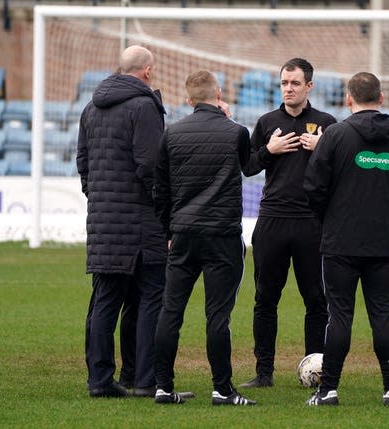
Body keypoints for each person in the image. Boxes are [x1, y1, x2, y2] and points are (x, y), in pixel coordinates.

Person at [303, 72, 389, 406]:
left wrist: (329, 219)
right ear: (381, 98)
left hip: (340, 242)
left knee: (339, 315)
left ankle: (328, 390)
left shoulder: (335, 136)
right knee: (383, 315)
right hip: (382, 242)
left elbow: (313, 188)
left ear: (348, 99)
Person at [152, 70, 255, 406]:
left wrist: (169, 231)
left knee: (171, 311)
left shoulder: (172, 134)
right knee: (218, 316)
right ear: (219, 93)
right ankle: (222, 389)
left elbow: (160, 191)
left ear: (188, 99)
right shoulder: (236, 132)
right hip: (221, 235)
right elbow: (250, 165)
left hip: (182, 234)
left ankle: (163, 387)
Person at [239, 58, 336, 388]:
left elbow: (341, 170)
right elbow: (249, 166)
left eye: (295, 83)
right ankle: (263, 373)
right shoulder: (267, 122)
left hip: (311, 223)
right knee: (265, 298)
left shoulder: (326, 123)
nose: (288, 89)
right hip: (273, 221)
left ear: (309, 86)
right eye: (284, 83)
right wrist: (270, 149)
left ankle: (319, 371)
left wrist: (322, 149)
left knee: (316, 301)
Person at [77, 45, 167, 398]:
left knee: (105, 300)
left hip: (102, 219)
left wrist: (98, 198)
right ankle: (145, 379)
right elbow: (149, 166)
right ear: (147, 71)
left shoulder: (90, 107)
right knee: (149, 297)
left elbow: (83, 163)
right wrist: (164, 207)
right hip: (141, 220)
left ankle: (100, 380)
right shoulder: (144, 106)